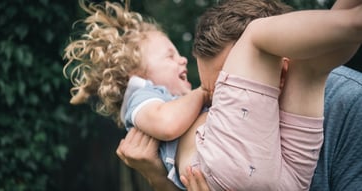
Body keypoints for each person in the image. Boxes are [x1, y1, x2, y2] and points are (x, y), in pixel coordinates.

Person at [118, 0, 362, 190]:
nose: (218, 108)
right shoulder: (151, 99)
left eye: (229, 86)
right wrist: (159, 179)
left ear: (280, 65)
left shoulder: (350, 104)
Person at [63, 0, 208, 190]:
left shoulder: (176, 103)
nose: (183, 59)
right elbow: (166, 123)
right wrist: (204, 92)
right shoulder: (142, 96)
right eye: (170, 56)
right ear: (137, 75)